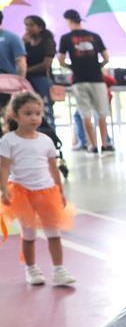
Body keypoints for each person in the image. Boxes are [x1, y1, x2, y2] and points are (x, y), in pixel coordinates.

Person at [0, 91, 75, 286]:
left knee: (53, 232)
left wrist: (60, 190)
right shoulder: (9, 141)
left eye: (37, 113)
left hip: (46, 192)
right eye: (28, 113)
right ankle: (31, 268)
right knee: (29, 234)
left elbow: (53, 168)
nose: (34, 117)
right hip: (22, 193)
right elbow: (4, 167)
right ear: (15, 116)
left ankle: (59, 270)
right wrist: (3, 189)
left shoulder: (46, 140)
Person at [57, 9, 111, 153]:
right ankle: (105, 144)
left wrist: (71, 67)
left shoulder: (65, 38)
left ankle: (92, 145)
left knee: (85, 114)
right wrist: (98, 66)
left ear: (68, 20)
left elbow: (60, 60)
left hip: (79, 80)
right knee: (102, 113)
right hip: (97, 79)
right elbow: (106, 57)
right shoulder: (95, 36)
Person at [22, 16, 56, 129]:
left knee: (45, 109)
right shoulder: (26, 43)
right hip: (27, 81)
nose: (27, 28)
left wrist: (26, 70)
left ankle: (51, 136)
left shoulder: (47, 42)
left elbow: (46, 64)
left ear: (40, 27)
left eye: (31, 25)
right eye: (26, 25)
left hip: (42, 79)